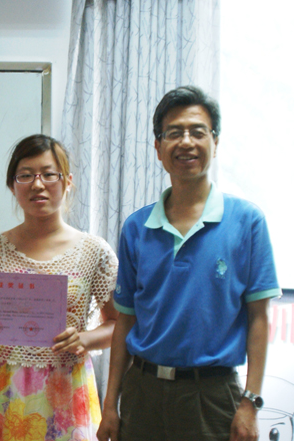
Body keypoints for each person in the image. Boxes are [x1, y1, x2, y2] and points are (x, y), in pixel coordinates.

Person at [96, 86, 280, 441]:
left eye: (197, 132)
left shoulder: (246, 221)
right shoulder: (136, 227)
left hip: (212, 396)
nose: (186, 142)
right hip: (143, 393)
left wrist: (250, 403)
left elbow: (259, 318)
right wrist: (109, 405)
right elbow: (125, 321)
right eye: (174, 133)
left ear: (215, 141)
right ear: (158, 147)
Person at [0, 134, 119, 441]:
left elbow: (118, 325)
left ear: (68, 181)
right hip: (1, 394)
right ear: (12, 185)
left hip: (66, 393)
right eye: (26, 175)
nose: (37, 184)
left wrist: (84, 338)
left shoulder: (94, 252)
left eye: (48, 174)